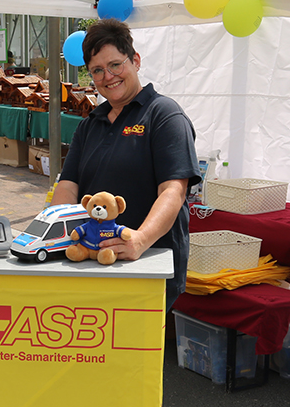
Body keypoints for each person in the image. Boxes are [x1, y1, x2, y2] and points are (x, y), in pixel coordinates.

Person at [52, 19, 200, 313]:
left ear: (135, 61)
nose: (108, 76)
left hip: (147, 264)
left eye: (116, 65)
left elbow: (173, 191)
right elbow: (68, 186)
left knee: (132, 354)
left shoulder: (164, 115)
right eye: (97, 70)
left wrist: (140, 240)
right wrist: (53, 234)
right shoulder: (89, 125)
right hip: (93, 263)